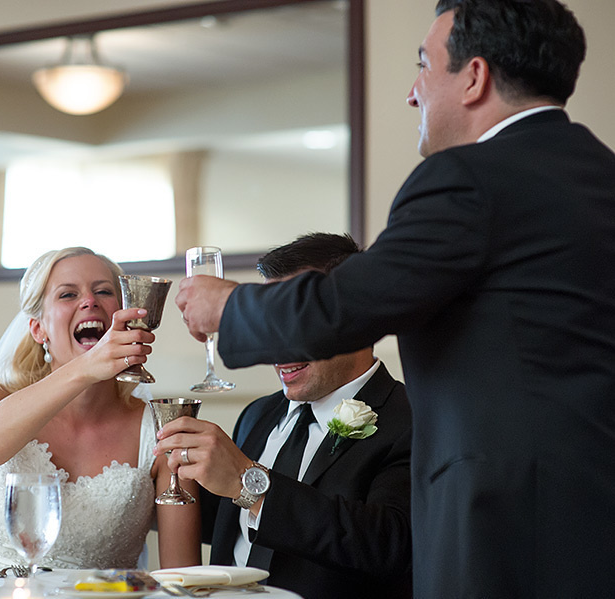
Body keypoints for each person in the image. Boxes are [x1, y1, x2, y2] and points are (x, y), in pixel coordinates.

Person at [175, 1, 615, 597]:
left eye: (423, 65)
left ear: (475, 77)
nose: (413, 93)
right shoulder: (597, 175)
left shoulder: (470, 178)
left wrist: (227, 307)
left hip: (504, 533)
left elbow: (346, 306)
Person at [0, 247, 200, 569]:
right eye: (67, 294)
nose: (89, 301)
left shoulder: (164, 430)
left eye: (103, 291)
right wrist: (86, 368)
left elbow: (182, 576)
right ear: (37, 329)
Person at [158, 233, 412, 599]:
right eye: (269, 323)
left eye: (290, 322)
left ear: (352, 320)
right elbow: (241, 526)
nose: (275, 344)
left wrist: (249, 483)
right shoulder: (258, 414)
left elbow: (389, 545)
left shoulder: (409, 418)